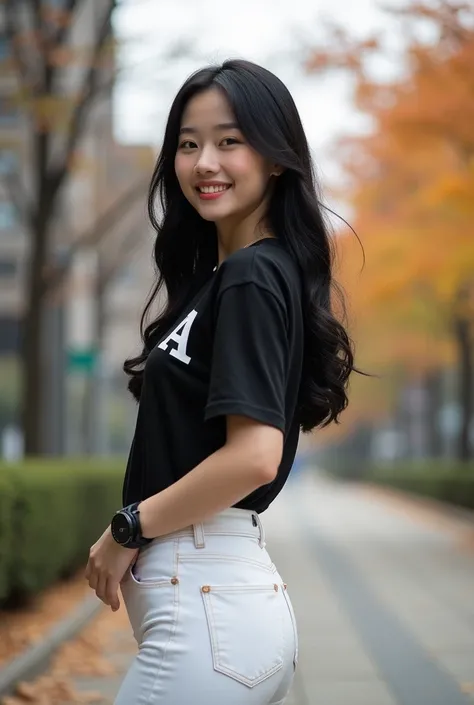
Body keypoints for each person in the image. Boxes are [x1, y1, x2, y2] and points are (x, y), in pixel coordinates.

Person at [85, 58, 355, 705]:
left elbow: (254, 455)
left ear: (277, 158)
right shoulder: (232, 278)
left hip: (209, 617)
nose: (205, 161)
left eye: (229, 141)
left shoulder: (254, 277)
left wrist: (127, 527)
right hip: (216, 611)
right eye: (188, 143)